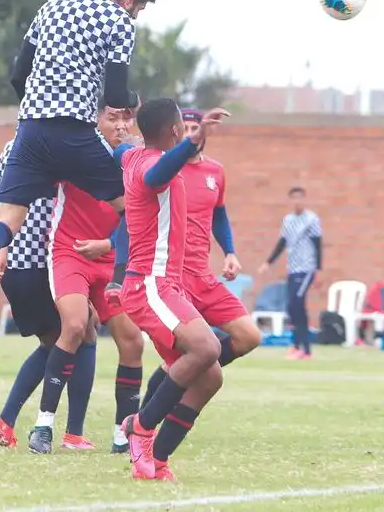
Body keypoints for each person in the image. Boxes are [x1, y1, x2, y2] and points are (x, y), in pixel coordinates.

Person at [0, 0, 158, 339]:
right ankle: (118, 285)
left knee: (5, 221)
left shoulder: (51, 6)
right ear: (128, 1)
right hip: (75, 131)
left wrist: (40, 106)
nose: (134, 15)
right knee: (135, 209)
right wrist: (131, 103)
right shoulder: (119, 21)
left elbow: (17, 75)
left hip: (30, 130)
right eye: (137, 9)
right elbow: (118, 94)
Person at [114, 99, 229, 481]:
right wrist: (191, 145)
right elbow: (154, 175)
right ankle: (141, 428)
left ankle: (157, 461)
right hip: (150, 283)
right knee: (208, 347)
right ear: (176, 131)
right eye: (184, 125)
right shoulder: (149, 164)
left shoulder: (132, 155)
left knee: (211, 375)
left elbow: (134, 147)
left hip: (165, 285)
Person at [28, 104, 145, 455]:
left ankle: (124, 433)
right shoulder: (75, 149)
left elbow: (138, 214)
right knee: (76, 326)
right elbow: (32, 168)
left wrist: (109, 244)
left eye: (127, 118)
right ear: (95, 120)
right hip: (69, 252)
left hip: (111, 261)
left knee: (133, 342)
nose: (121, 126)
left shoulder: (135, 160)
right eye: (113, 117)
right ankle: (43, 425)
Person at [139, 109, 262, 410]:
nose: (193, 131)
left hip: (202, 274)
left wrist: (230, 251)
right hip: (172, 277)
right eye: (188, 127)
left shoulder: (215, 172)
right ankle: (144, 421)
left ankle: (184, 374)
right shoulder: (167, 168)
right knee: (182, 358)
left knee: (249, 336)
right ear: (178, 132)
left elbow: (219, 213)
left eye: (198, 126)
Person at [0, 139, 98, 452]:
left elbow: (1, 203)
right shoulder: (50, 146)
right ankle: (67, 433)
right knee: (74, 335)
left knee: (70, 335)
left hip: (21, 262)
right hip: (37, 262)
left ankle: (6, 423)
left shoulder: (10, 147)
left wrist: (0, 248)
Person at [257, 187, 323, 359]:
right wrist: (268, 262)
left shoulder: (312, 219)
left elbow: (318, 244)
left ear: (304, 199)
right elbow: (282, 242)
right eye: (293, 198)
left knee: (297, 304)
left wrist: (318, 269)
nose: (297, 201)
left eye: (300, 198)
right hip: (293, 268)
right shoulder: (288, 220)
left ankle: (306, 349)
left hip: (306, 267)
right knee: (291, 307)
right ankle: (296, 345)